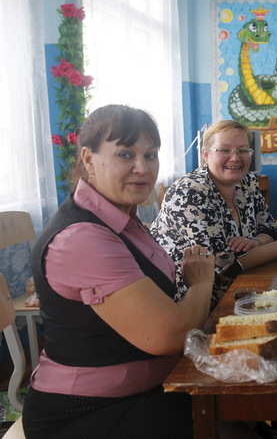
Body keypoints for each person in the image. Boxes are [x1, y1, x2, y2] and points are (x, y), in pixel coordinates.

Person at [23, 105, 215, 439]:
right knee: (222, 413)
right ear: (88, 158)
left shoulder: (123, 218)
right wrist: (202, 282)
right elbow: (168, 337)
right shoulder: (81, 237)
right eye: (125, 154)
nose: (142, 168)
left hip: (144, 391)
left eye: (151, 155)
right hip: (85, 412)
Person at [151, 120, 277, 309]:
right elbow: (221, 265)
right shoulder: (190, 192)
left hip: (239, 285)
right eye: (224, 150)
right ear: (205, 155)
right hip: (188, 301)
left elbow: (269, 227)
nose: (236, 158)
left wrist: (258, 242)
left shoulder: (248, 182)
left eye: (243, 150)